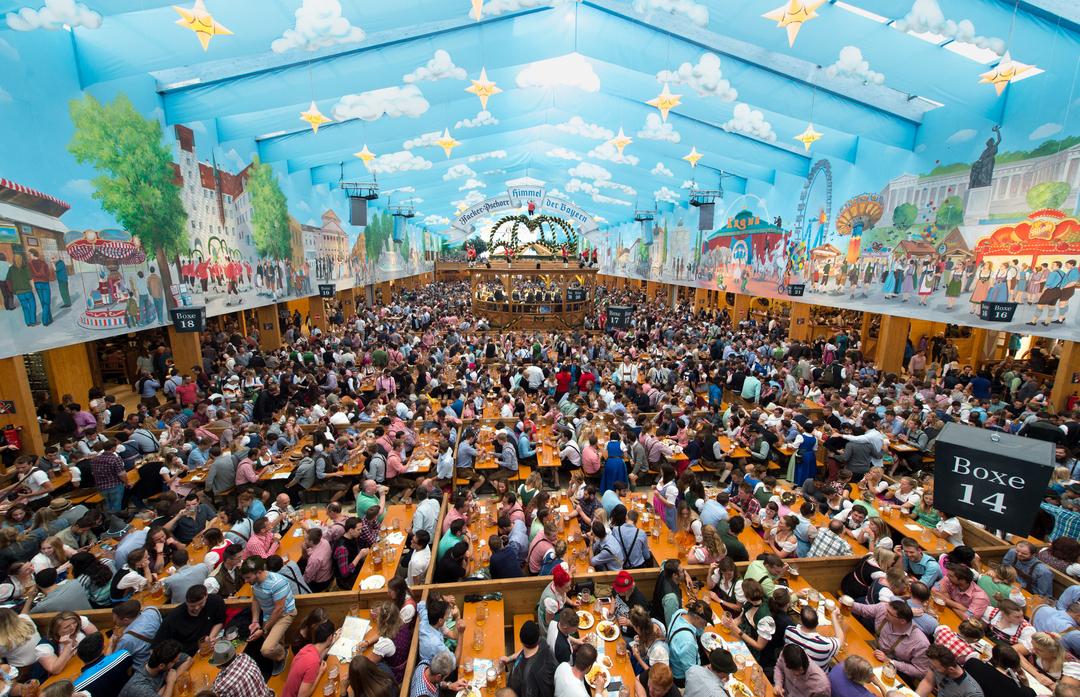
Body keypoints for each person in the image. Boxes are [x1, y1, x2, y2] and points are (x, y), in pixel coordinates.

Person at [848, 598, 930, 681]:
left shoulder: (921, 642)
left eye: (889, 613)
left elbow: (921, 671)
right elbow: (863, 609)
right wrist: (849, 604)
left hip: (895, 670)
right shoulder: (884, 609)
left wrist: (890, 662)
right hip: (874, 649)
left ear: (902, 621)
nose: (884, 612)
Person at [241, 555, 296, 675]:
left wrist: (264, 630)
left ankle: (282, 655)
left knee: (266, 649)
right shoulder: (254, 582)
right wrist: (255, 621)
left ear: (259, 572)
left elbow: (279, 609)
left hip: (285, 614)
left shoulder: (277, 583)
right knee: (271, 643)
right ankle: (279, 650)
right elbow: (256, 599)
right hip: (269, 614)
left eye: (248, 577)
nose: (246, 581)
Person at [155, 584, 226, 656]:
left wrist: (210, 639)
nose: (196, 608)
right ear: (186, 602)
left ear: (206, 595)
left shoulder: (215, 601)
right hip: (188, 655)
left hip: (210, 645)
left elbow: (219, 622)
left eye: (200, 603)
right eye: (192, 606)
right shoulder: (173, 618)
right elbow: (156, 647)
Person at [117, 639, 191, 697]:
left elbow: (189, 660)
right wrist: (170, 682)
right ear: (161, 666)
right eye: (174, 662)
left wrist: (173, 677)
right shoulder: (140, 686)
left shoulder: (160, 658)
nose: (178, 661)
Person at [281, 619, 335, 697]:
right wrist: (320, 673)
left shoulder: (308, 647)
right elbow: (302, 695)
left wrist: (332, 643)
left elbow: (317, 658)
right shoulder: (313, 662)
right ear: (330, 637)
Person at [504, 620, 556, 697]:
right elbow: (523, 651)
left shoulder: (528, 676)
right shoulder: (542, 642)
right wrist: (509, 658)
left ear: (521, 640)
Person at [72, 633, 133, 697]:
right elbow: (129, 673)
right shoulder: (123, 655)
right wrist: (111, 645)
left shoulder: (76, 688)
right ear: (103, 647)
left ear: (80, 657)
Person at [915, 644, 985, 697]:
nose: (933, 668)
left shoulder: (973, 693)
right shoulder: (938, 665)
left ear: (951, 669)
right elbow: (928, 682)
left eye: (935, 667)